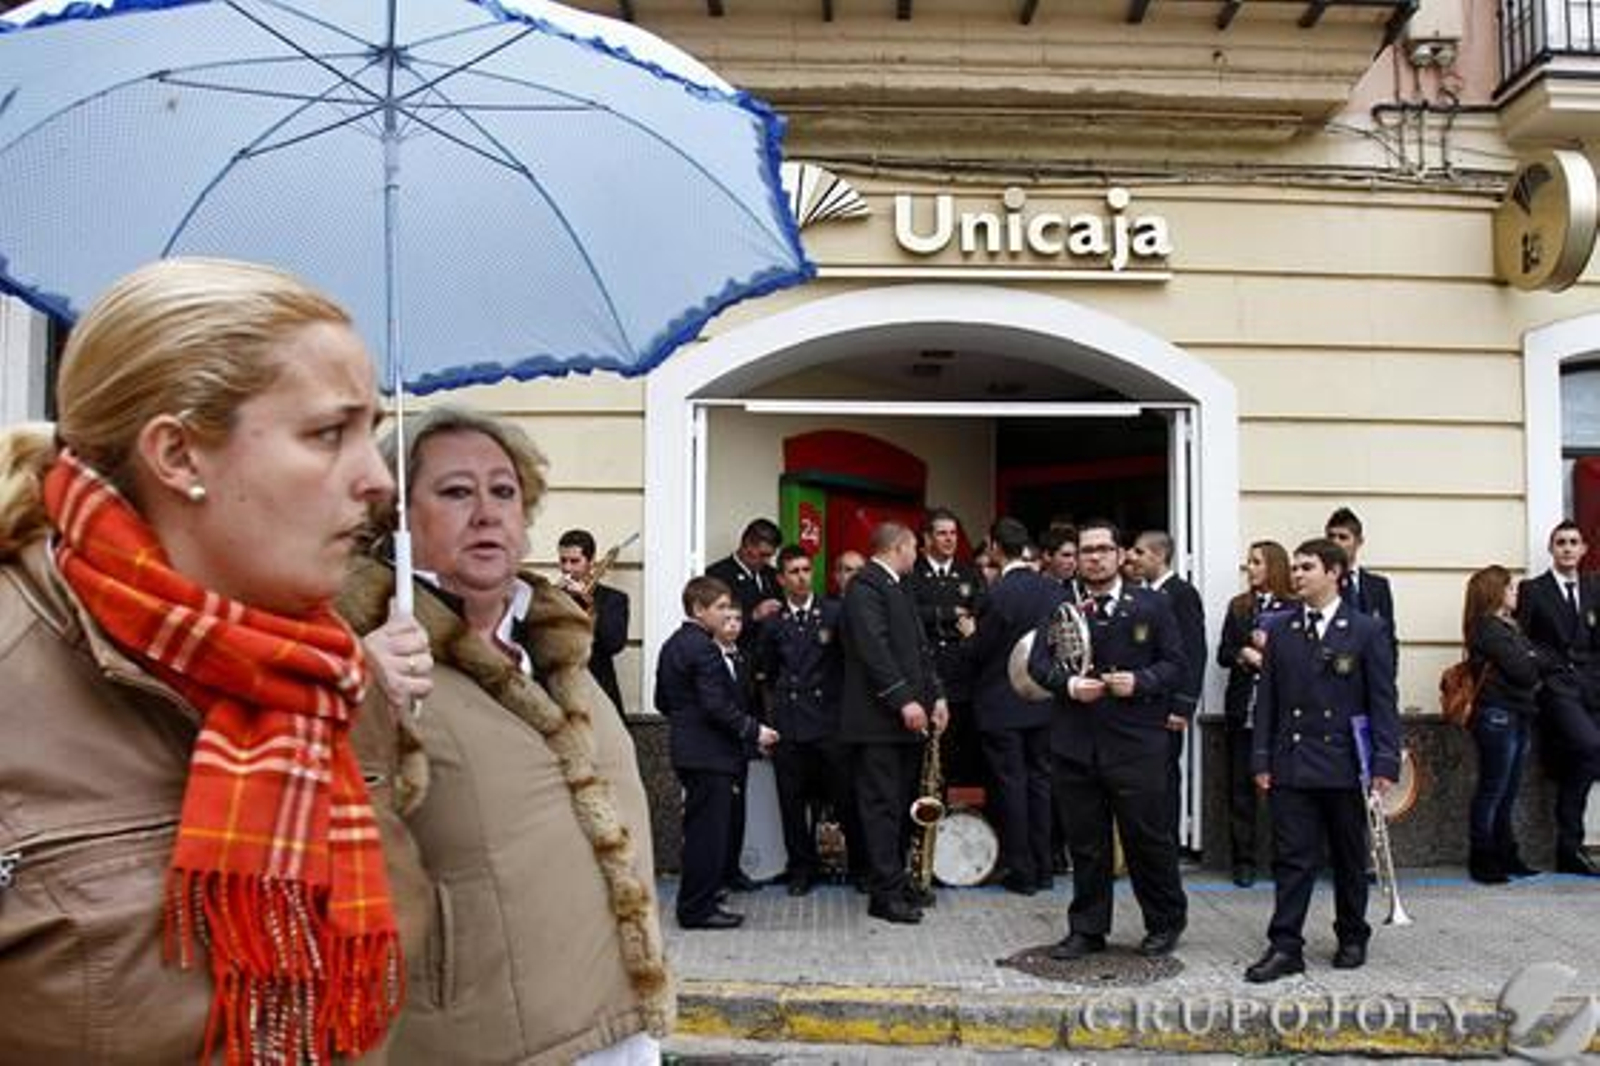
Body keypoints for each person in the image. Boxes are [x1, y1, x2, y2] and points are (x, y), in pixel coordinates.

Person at [0, 258, 424, 1063]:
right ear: (179, 455)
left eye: (369, 431)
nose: (376, 479)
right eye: (329, 433)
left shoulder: (329, 674)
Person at [344, 405, 674, 1061]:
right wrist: (354, 685)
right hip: (484, 1040)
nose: (488, 511)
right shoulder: (361, 652)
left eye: (504, 491)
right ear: (395, 519)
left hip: (618, 1026)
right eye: (456, 492)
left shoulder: (558, 646)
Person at [1246, 538, 1399, 984]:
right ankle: (1285, 945)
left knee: (1349, 857)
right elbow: (1268, 701)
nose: (1296, 575)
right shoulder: (1282, 629)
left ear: (1334, 572)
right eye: (1294, 567)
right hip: (1292, 759)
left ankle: (1352, 934)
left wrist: (1385, 763)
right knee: (1292, 858)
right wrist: (1261, 759)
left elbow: (1383, 702)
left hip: (1345, 762)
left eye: (1306, 567)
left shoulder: (1366, 630)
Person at [1049, 520, 1190, 961]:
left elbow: (1176, 664)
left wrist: (1141, 681)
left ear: (1119, 554)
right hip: (1076, 743)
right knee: (1086, 844)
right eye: (1086, 550)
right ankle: (1088, 928)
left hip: (1136, 744)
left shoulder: (1153, 604)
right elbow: (1034, 664)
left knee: (1148, 838)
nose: (1094, 557)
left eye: (1103, 549)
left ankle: (1165, 922)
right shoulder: (1059, 606)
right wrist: (1069, 686)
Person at [839, 522, 948, 924]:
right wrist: (904, 700)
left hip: (904, 722)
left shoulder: (898, 586)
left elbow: (920, 649)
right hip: (877, 722)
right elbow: (874, 650)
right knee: (881, 807)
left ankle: (898, 881)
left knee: (901, 805)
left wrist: (936, 695)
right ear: (900, 547)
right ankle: (883, 893)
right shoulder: (864, 586)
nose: (918, 554)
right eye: (915, 547)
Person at [656, 577, 779, 930]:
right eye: (721, 607)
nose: (728, 614)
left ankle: (703, 896)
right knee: (707, 835)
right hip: (710, 755)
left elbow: (662, 701)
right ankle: (697, 909)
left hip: (690, 751)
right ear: (698, 609)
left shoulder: (673, 645)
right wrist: (754, 730)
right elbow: (715, 705)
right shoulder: (704, 649)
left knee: (701, 832)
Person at [967, 518, 1067, 894]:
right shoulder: (1052, 590)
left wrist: (967, 638)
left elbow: (980, 651)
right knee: (1041, 783)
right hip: (1042, 699)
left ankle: (1022, 871)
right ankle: (1043, 869)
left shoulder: (997, 594)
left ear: (994, 547)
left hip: (1000, 702)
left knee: (1011, 787)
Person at [757, 545, 854, 896]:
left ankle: (857, 863)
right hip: (792, 725)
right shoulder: (774, 623)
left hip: (829, 724)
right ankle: (801, 868)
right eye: (793, 571)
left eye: (805, 569)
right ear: (781, 579)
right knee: (792, 803)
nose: (801, 577)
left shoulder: (834, 613)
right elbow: (768, 673)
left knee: (844, 798)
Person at [1516, 520, 1600, 877]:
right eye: (1560, 542)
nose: (1567, 548)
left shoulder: (1596, 586)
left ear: (1583, 549)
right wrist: (1546, 670)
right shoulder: (1533, 589)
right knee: (1591, 747)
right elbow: (1523, 639)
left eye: (1573, 542)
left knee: (1581, 762)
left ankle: (1569, 847)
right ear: (1551, 550)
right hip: (1557, 687)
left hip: (1593, 686)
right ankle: (1570, 844)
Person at [1216, 539, 1295, 887]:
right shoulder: (1239, 606)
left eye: (1256, 561)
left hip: (1281, 712)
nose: (1249, 567)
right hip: (1244, 709)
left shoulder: (1294, 607)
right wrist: (1243, 654)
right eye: (1249, 561)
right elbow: (1223, 652)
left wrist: (1271, 653)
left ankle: (1284, 858)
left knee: (1283, 791)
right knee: (1240, 787)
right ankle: (1243, 859)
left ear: (1273, 566)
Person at [1461, 566, 1544, 884]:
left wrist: (1532, 659)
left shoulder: (1508, 627)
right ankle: (1482, 857)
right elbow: (1525, 671)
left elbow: (1534, 663)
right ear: (1495, 592)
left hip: (1518, 712)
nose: (1515, 594)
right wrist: (1532, 659)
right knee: (1492, 789)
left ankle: (1506, 852)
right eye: (1510, 588)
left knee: (1508, 790)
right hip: (1497, 716)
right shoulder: (1487, 628)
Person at [1129, 530, 1207, 851]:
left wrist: (1183, 705)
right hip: (1143, 701)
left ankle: (1167, 844)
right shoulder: (1142, 594)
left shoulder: (1181, 593)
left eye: (1139, 552)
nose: (1132, 558)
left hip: (1168, 704)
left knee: (1164, 776)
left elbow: (1193, 650)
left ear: (1159, 556)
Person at [905, 507, 984, 786]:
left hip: (962, 674)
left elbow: (979, 613)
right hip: (927, 673)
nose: (950, 539)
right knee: (924, 755)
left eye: (953, 533)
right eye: (942, 533)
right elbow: (910, 615)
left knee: (959, 753)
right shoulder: (913, 572)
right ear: (927, 538)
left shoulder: (969, 572)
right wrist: (949, 613)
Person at [557, 527, 630, 717]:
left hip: (599, 690)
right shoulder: (551, 596)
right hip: (560, 693)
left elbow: (614, 644)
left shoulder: (614, 599)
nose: (567, 568)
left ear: (590, 562)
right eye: (563, 561)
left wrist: (590, 606)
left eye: (575, 561)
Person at [1325, 507, 1398, 668]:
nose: (1335, 543)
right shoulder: (1321, 583)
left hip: (1371, 674)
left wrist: (1388, 676)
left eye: (1343, 537)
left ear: (1359, 542)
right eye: (1331, 537)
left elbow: (1389, 637)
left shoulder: (1378, 586)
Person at [706, 518, 783, 650]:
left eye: (770, 556)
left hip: (770, 658)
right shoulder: (717, 574)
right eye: (763, 554)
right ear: (747, 545)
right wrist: (753, 615)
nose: (767, 560)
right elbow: (713, 623)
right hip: (737, 655)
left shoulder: (772, 574)